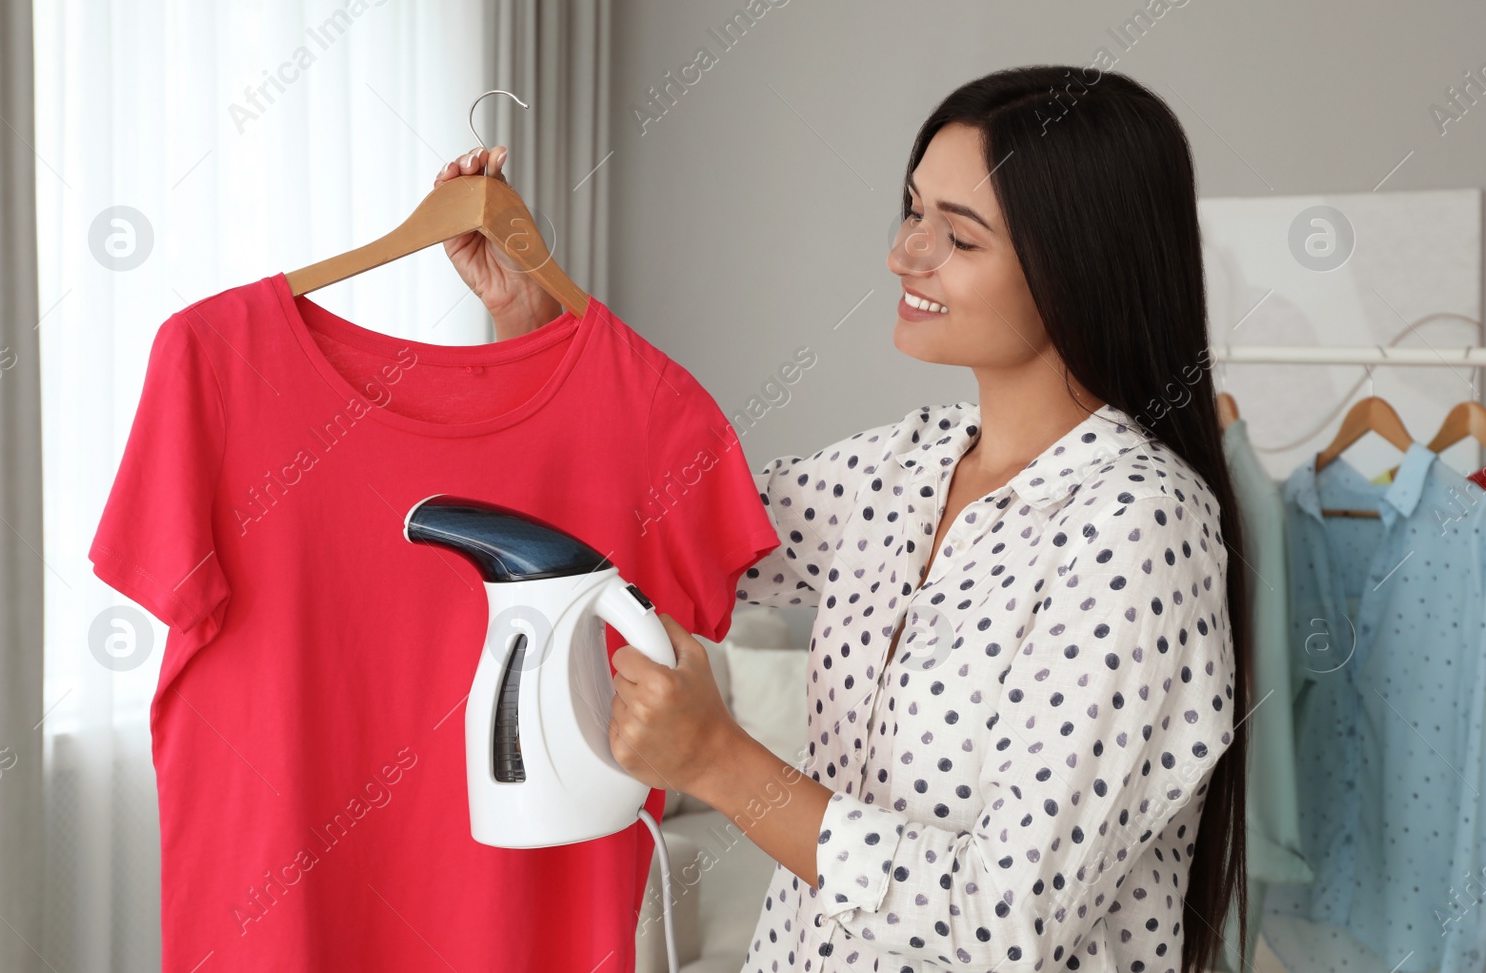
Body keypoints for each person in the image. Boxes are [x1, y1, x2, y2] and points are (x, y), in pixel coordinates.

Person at [436, 65, 1249, 973]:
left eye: (960, 237)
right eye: (912, 211)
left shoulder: (1137, 528)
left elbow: (1007, 924)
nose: (905, 255)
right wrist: (533, 320)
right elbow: (671, 523)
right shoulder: (906, 464)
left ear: (1078, 263)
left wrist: (718, 761)